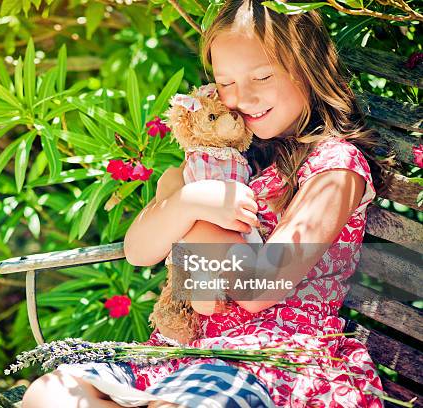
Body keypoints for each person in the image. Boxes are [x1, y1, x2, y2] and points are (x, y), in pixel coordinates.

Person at [21, 0, 389, 406]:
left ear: (308, 69)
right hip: (180, 352)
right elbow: (138, 251)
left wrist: (199, 219)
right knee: (49, 393)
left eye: (262, 76)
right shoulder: (226, 157)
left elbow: (257, 289)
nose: (241, 98)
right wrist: (190, 201)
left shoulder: (335, 167)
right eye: (225, 83)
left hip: (266, 356)